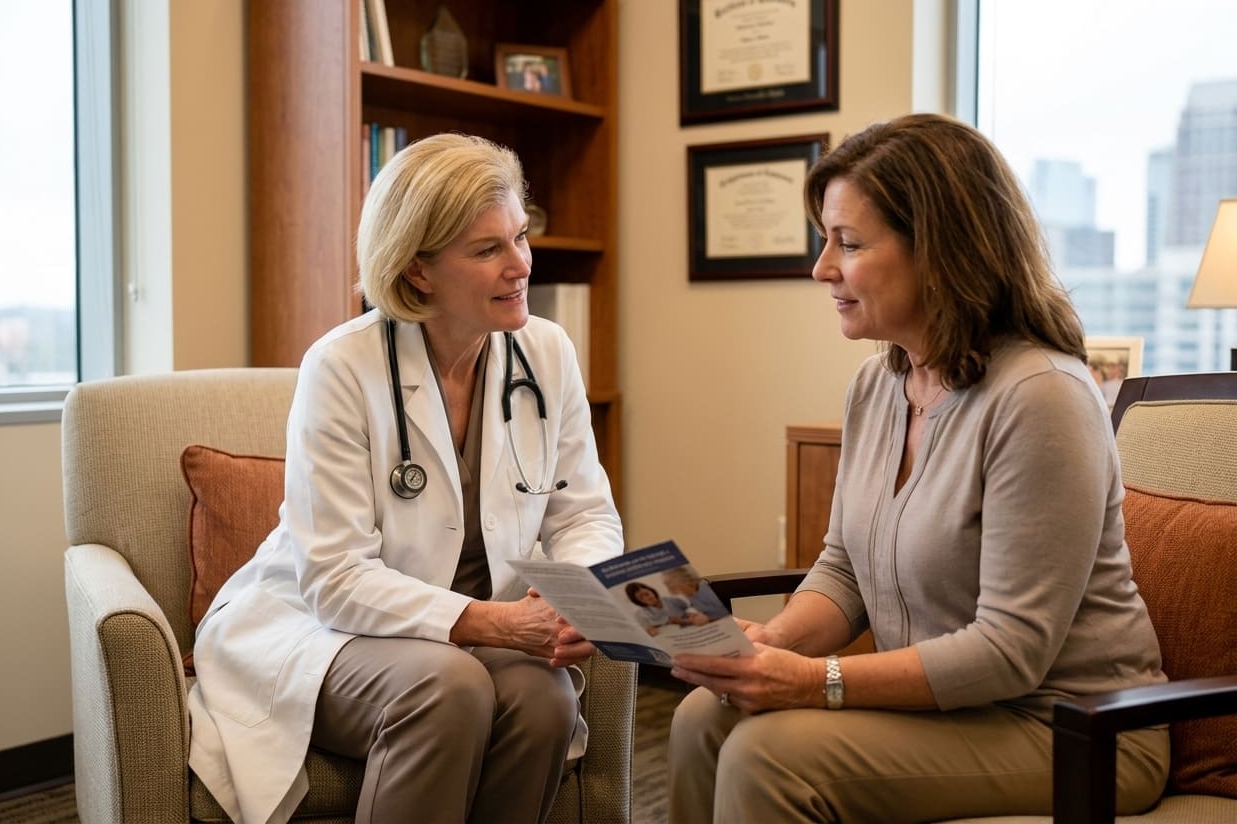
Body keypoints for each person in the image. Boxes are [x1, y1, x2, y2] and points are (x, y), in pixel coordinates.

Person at [665, 113, 1169, 823]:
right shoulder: (878, 387)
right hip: (955, 712)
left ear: (939, 250)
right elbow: (844, 571)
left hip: (1073, 725)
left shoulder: (1040, 395)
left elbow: (1009, 650)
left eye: (848, 243)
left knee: (766, 753)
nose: (822, 269)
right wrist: (767, 648)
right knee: (698, 719)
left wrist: (811, 681)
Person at [187, 133, 623, 824]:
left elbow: (583, 514)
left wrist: (576, 593)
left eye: (519, 236)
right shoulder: (341, 367)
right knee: (447, 688)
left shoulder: (546, 350)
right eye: (488, 250)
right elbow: (333, 578)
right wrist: (494, 622)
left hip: (481, 625)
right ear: (418, 271)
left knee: (546, 700)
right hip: (326, 629)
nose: (521, 266)